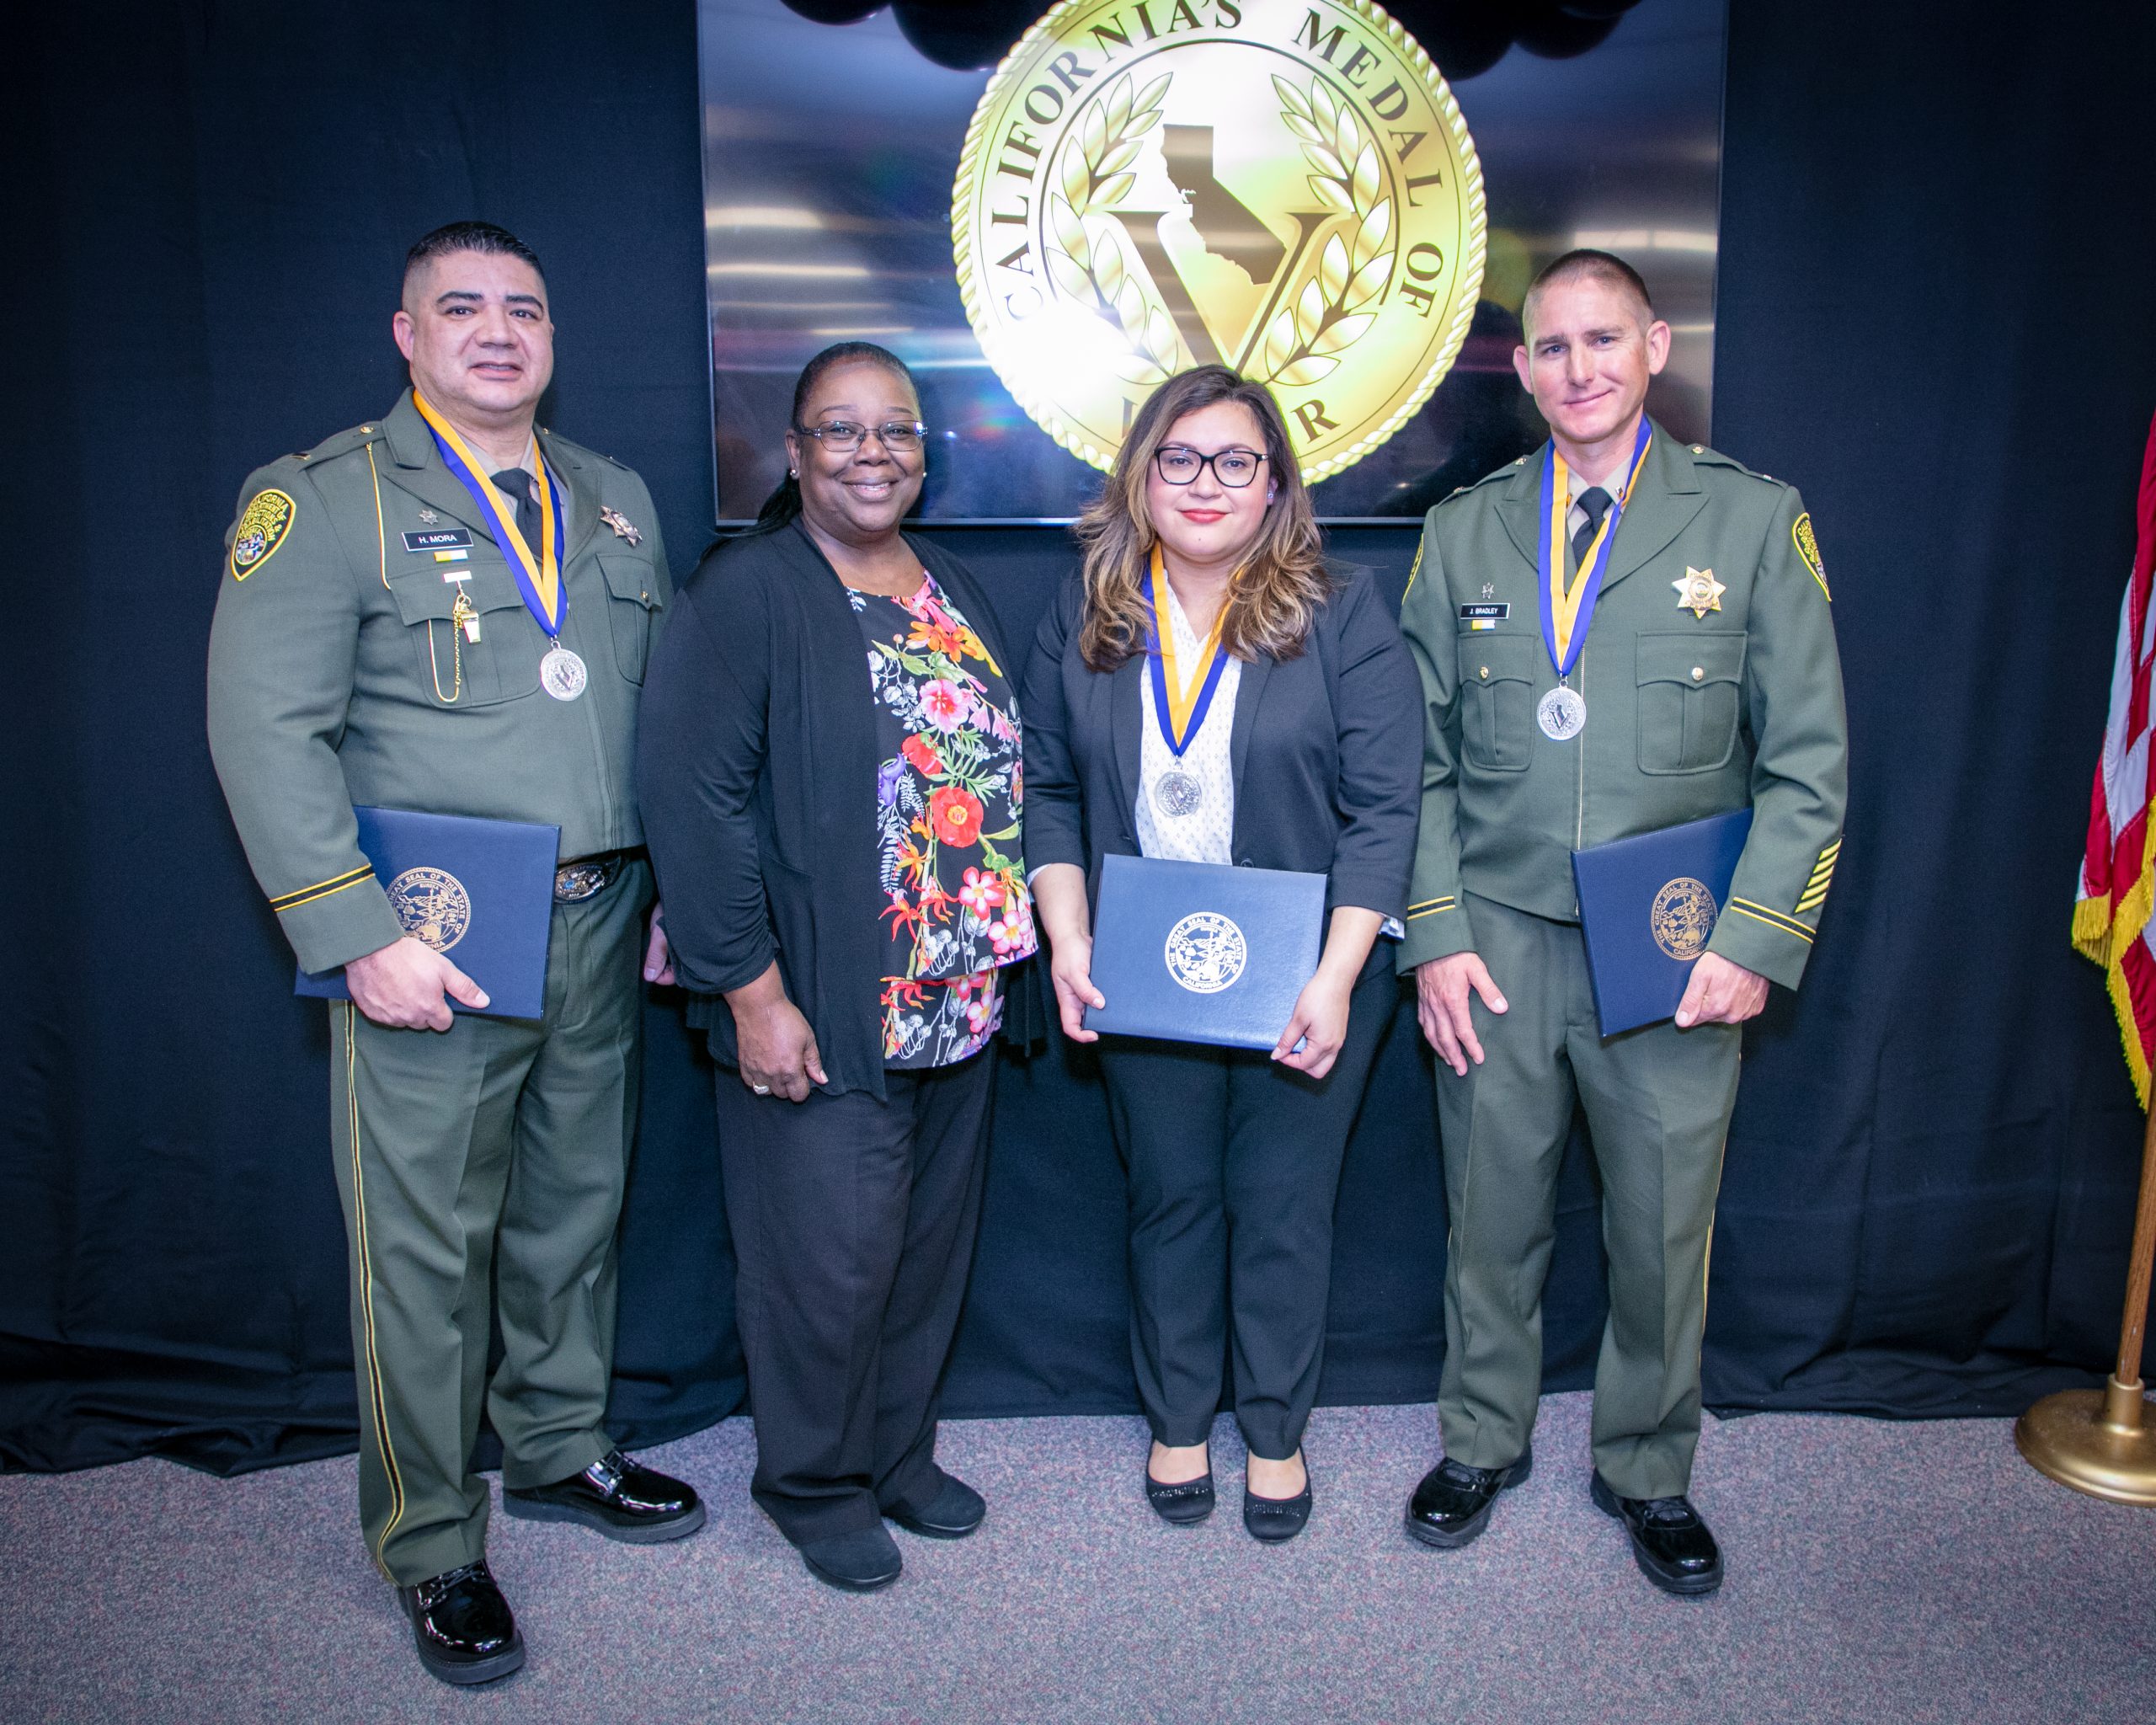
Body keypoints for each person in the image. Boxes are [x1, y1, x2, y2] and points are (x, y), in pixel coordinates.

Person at [205, 222, 702, 1686]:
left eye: (527, 310)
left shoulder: (611, 504)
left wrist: (676, 890)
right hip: (436, 936)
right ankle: (430, 1540)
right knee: (422, 1249)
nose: (500, 332)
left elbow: (648, 720)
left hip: (605, 917)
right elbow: (260, 730)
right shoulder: (326, 499)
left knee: (574, 1212)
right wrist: (354, 933)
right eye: (463, 308)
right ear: (405, 334)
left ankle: (556, 1447)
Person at [1395, 250, 1848, 1594]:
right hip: (1500, 941)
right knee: (1490, 1213)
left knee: (1661, 1226)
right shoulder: (1461, 530)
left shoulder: (1753, 522)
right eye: (1552, 347)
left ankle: (1650, 1466)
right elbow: (1410, 761)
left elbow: (1809, 761)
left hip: (1671, 942)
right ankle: (1482, 1437)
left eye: (1605, 340)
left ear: (1656, 346)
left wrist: (1754, 940)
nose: (1580, 369)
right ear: (1522, 368)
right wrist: (1433, 932)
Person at [637, 343, 1033, 1594]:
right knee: (826, 1262)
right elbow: (691, 807)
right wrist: (750, 993)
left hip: (959, 993)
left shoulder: (952, 582)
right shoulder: (747, 593)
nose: (873, 454)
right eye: (840, 431)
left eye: (896, 431)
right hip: (817, 998)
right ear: (796, 452)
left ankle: (896, 1454)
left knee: (920, 1255)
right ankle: (812, 1481)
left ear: (925, 451)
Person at [1024, 365, 1422, 1541]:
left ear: (1275, 488)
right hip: (1141, 967)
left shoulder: (1342, 608)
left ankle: (1278, 1429)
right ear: (1141, 477)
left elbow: (1386, 811)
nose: (1206, 483)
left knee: (1286, 1206)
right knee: (1172, 1201)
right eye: (1180, 459)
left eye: (1235, 461)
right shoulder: (1087, 609)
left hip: (1307, 967)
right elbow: (1045, 785)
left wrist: (1340, 977)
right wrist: (1067, 940)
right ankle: (1178, 1414)